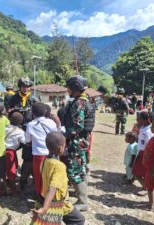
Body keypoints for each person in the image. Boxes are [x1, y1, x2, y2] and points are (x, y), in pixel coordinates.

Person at [32, 131, 85, 225]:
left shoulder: (45, 160)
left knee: (76, 219)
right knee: (79, 220)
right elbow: (52, 188)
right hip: (56, 204)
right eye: (65, 146)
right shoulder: (59, 166)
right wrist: (45, 208)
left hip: (49, 200)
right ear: (60, 149)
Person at [63, 75, 90, 212]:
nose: (67, 90)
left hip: (76, 142)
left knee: (75, 170)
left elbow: (77, 127)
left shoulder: (79, 103)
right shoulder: (84, 100)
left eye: (68, 88)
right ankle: (82, 196)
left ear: (74, 88)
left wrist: (63, 133)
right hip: (82, 141)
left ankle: (82, 201)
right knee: (82, 167)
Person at [8, 77, 35, 190]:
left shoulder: (33, 98)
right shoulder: (13, 98)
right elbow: (9, 112)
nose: (26, 88)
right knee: (11, 151)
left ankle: (24, 179)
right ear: (20, 87)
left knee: (28, 156)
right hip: (17, 129)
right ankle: (10, 176)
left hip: (29, 129)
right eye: (24, 86)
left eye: (28, 86)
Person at [26, 102, 57, 195]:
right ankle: (50, 197)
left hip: (38, 155)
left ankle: (40, 197)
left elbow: (27, 139)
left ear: (32, 113)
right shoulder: (51, 122)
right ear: (45, 111)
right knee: (50, 176)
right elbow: (55, 135)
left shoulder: (31, 125)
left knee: (39, 177)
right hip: (51, 154)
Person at [132, 111, 154, 195]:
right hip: (141, 152)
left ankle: (146, 187)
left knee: (137, 172)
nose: (137, 120)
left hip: (145, 154)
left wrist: (146, 156)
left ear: (145, 120)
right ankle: (145, 186)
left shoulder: (148, 131)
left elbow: (149, 145)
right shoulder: (143, 128)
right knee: (137, 171)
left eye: (139, 119)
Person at [5, 112, 26, 192]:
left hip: (2, 150)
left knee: (4, 168)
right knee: (11, 170)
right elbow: (25, 142)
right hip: (11, 153)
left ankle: (5, 184)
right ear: (20, 122)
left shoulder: (5, 128)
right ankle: (12, 187)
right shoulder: (19, 132)